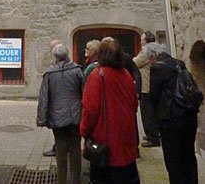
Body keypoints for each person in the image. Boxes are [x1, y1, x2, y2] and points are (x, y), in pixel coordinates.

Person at [81, 39, 140, 184]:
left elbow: (90, 110)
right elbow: (134, 105)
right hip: (127, 137)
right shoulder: (126, 74)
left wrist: (84, 130)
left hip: (106, 139)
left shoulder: (97, 75)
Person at [146, 42, 200, 184]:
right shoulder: (179, 63)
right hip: (188, 114)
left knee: (173, 157)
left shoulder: (157, 68)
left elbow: (154, 95)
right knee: (188, 154)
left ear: (152, 56)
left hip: (170, 117)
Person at [37, 45, 84, 184]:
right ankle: (76, 180)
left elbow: (44, 98)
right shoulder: (77, 71)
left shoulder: (50, 74)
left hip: (57, 115)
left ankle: (62, 179)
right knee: (75, 148)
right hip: (75, 114)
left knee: (61, 148)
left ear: (55, 57)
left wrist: (42, 119)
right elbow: (84, 94)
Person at [133, 31, 160, 147]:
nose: (140, 40)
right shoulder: (154, 49)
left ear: (146, 40)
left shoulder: (146, 50)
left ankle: (152, 137)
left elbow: (135, 62)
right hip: (151, 84)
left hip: (146, 85)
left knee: (147, 112)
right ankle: (153, 134)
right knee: (151, 111)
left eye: (142, 39)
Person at [43, 39, 62, 157]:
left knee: (59, 129)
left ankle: (59, 149)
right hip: (64, 103)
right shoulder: (72, 67)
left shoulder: (55, 68)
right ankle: (60, 148)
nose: (49, 51)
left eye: (51, 49)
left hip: (58, 102)